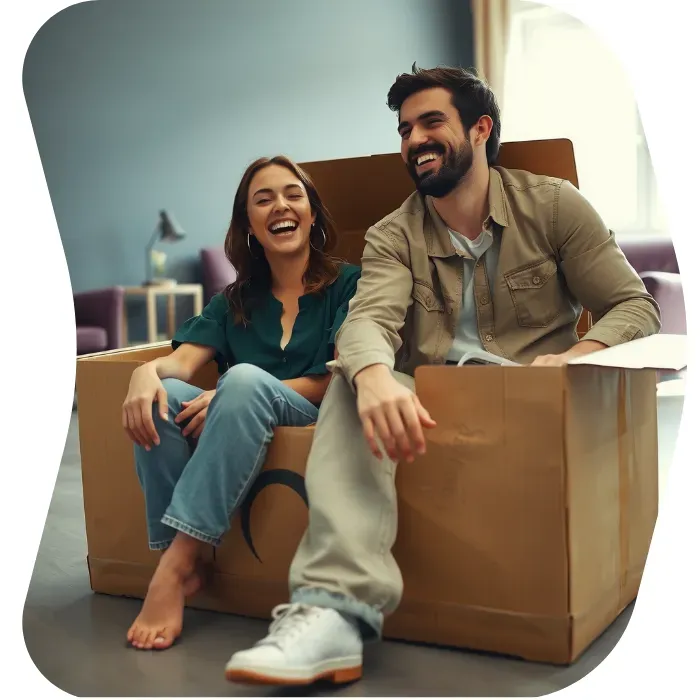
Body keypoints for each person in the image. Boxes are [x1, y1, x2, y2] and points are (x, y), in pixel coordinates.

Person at [224, 65, 661, 685]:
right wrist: (371, 373)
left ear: (481, 129)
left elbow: (635, 305)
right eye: (405, 130)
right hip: (433, 400)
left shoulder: (553, 206)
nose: (414, 140)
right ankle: (331, 615)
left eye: (432, 123)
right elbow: (368, 320)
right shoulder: (392, 235)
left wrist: (573, 357)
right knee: (355, 380)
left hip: (537, 396)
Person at [121, 155, 361, 651]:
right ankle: (180, 563)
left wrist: (237, 390)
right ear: (249, 224)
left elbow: (337, 379)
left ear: (312, 212)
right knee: (162, 397)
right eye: (263, 198)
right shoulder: (233, 299)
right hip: (238, 410)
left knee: (245, 379)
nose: (281, 205)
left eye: (293, 194)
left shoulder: (349, 285)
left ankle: (174, 565)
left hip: (315, 416)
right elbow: (183, 365)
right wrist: (144, 373)